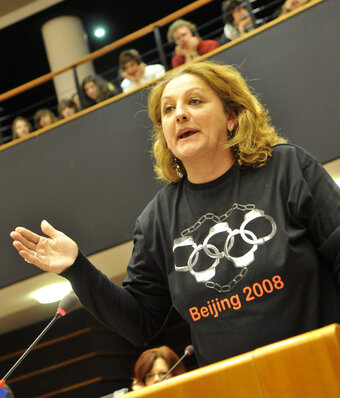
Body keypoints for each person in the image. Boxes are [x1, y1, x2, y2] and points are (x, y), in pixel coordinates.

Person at [10, 61, 340, 367]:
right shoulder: (157, 220)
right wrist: (76, 268)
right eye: (168, 110)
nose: (179, 114)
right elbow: (140, 322)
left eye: (194, 102)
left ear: (231, 116)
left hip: (324, 370)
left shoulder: (287, 168)